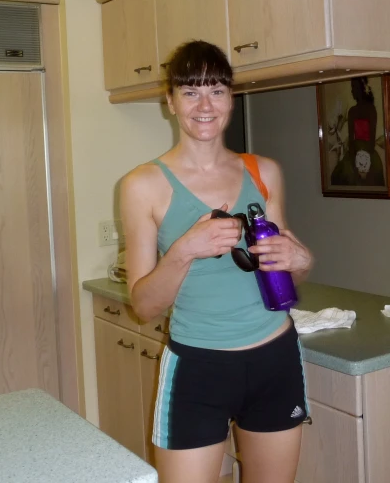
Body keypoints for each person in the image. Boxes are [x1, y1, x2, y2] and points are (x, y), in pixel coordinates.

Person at [120, 40, 314, 483]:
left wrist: (302, 258)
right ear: (169, 102)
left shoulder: (264, 172)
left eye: (217, 90)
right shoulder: (143, 185)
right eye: (190, 92)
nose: (205, 105)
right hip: (197, 368)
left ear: (231, 97)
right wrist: (185, 249)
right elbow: (144, 306)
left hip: (275, 360)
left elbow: (286, 269)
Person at [330, 77, 385, 186]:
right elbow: (351, 138)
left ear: (361, 89)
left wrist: (362, 156)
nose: (352, 91)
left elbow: (371, 139)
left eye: (354, 87)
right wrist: (354, 154)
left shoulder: (371, 109)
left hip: (368, 151)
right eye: (352, 88)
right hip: (354, 151)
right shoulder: (352, 111)